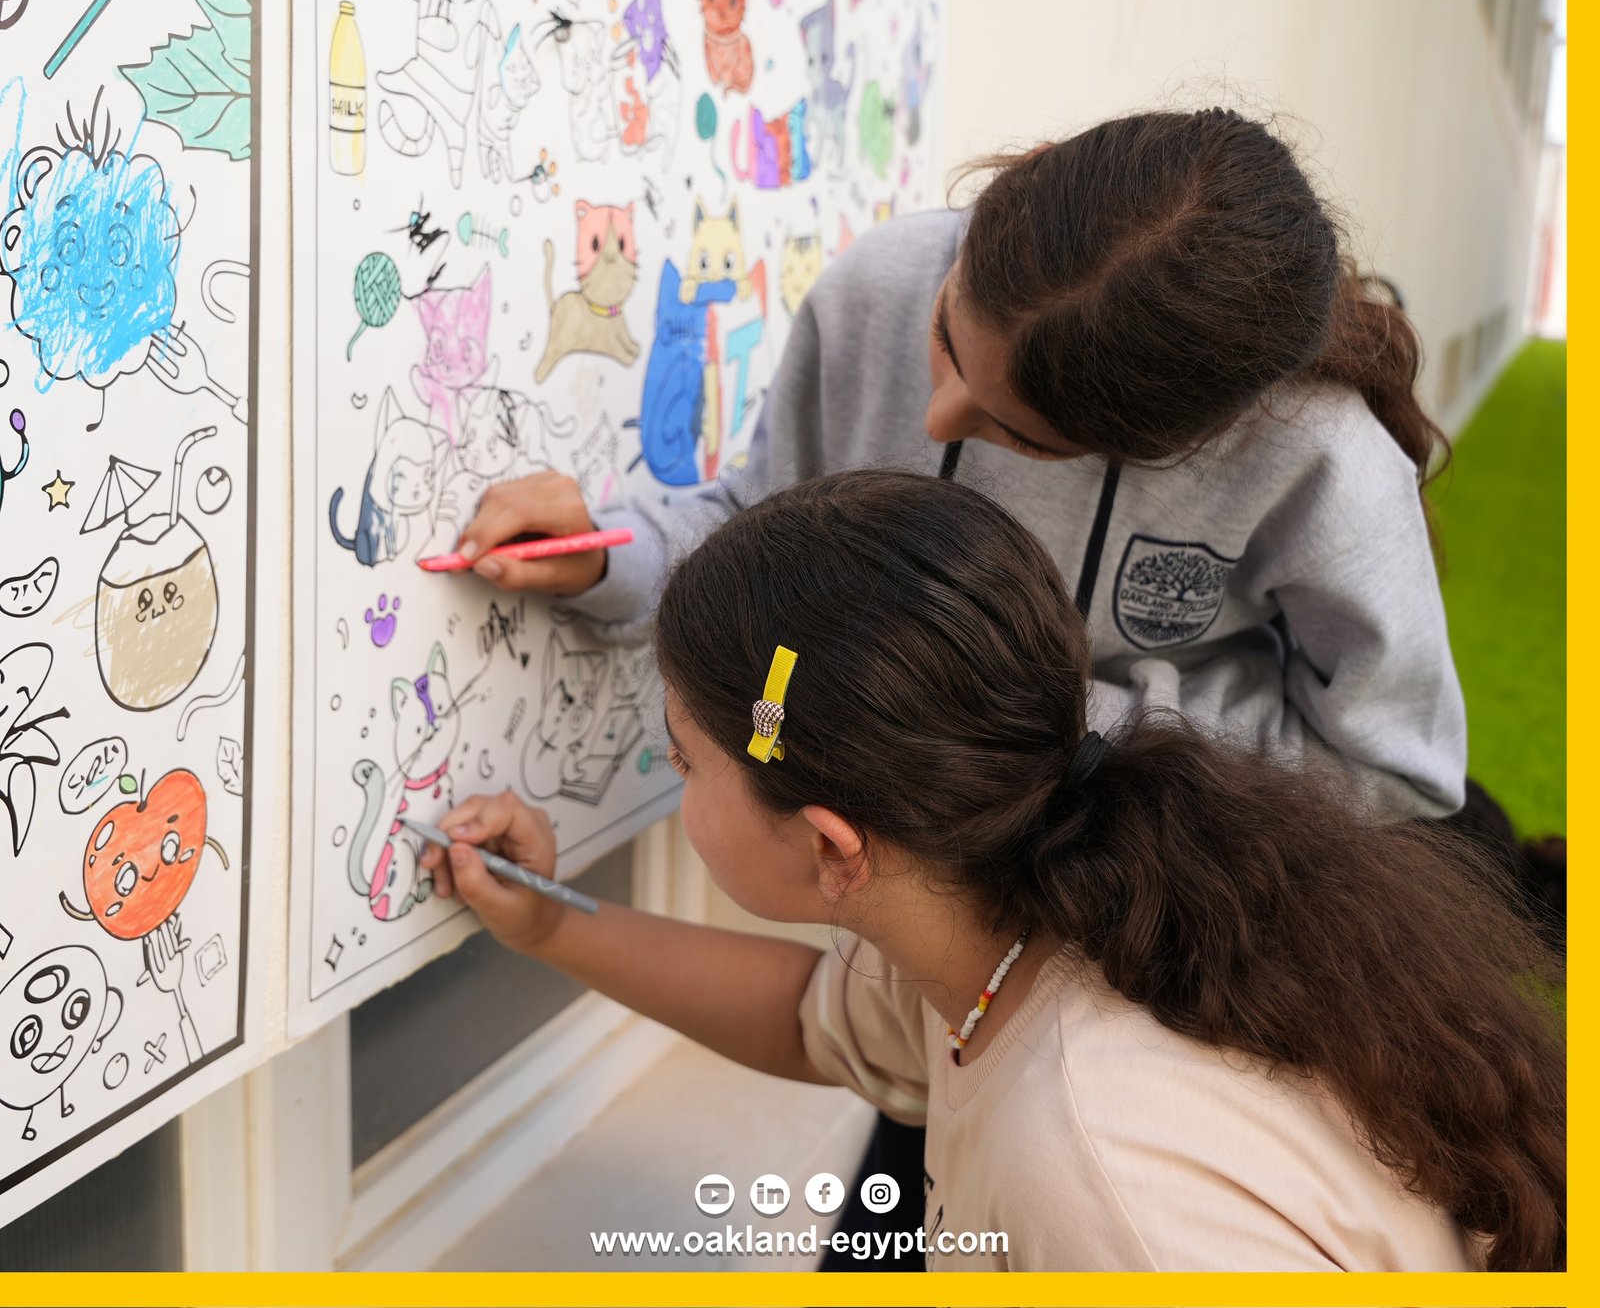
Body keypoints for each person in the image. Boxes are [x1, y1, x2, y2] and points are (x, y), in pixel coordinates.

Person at [422, 472, 1563, 1272]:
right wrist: (548, 924)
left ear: (831, 847)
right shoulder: (1021, 905)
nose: (674, 780)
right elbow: (816, 1018)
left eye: (683, 759)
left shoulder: (1097, 1178)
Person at [459, 109, 1465, 821]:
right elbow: (762, 527)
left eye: (1019, 435)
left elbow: (1396, 773)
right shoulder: (879, 281)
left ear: (1172, 445)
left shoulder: (1317, 453)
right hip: (902, 891)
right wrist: (607, 557)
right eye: (945, 333)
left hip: (1145, 897)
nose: (932, 415)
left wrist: (1053, 723)